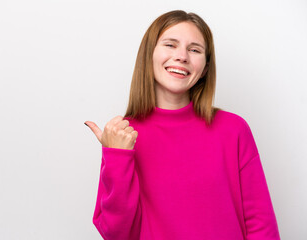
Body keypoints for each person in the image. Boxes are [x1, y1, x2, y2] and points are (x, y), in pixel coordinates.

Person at [84, 10, 280, 240]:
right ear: (149, 55)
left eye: (194, 49)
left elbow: (261, 225)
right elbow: (116, 233)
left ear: (205, 68)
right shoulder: (124, 136)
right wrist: (117, 155)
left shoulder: (233, 130)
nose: (182, 56)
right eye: (170, 44)